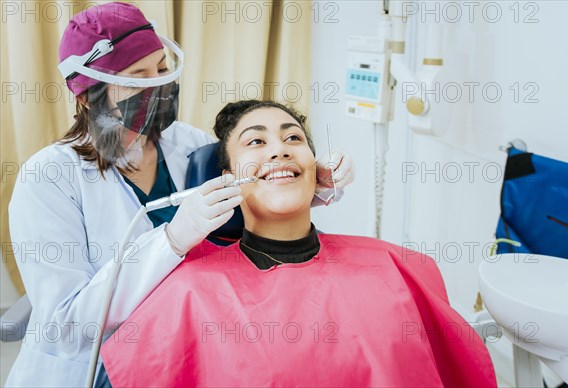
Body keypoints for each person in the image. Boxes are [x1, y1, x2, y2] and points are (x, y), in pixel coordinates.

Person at [5, 3, 354, 387]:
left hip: (183, 351)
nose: (158, 84)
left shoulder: (189, 145)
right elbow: (67, 326)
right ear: (90, 97)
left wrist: (312, 181)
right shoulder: (49, 179)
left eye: (160, 67)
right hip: (93, 368)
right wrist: (170, 240)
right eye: (138, 77)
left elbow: (251, 197)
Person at [99, 100, 497, 387]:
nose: (279, 147)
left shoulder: (398, 265)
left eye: (293, 138)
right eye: (255, 142)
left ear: (316, 167)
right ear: (225, 177)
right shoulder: (188, 291)